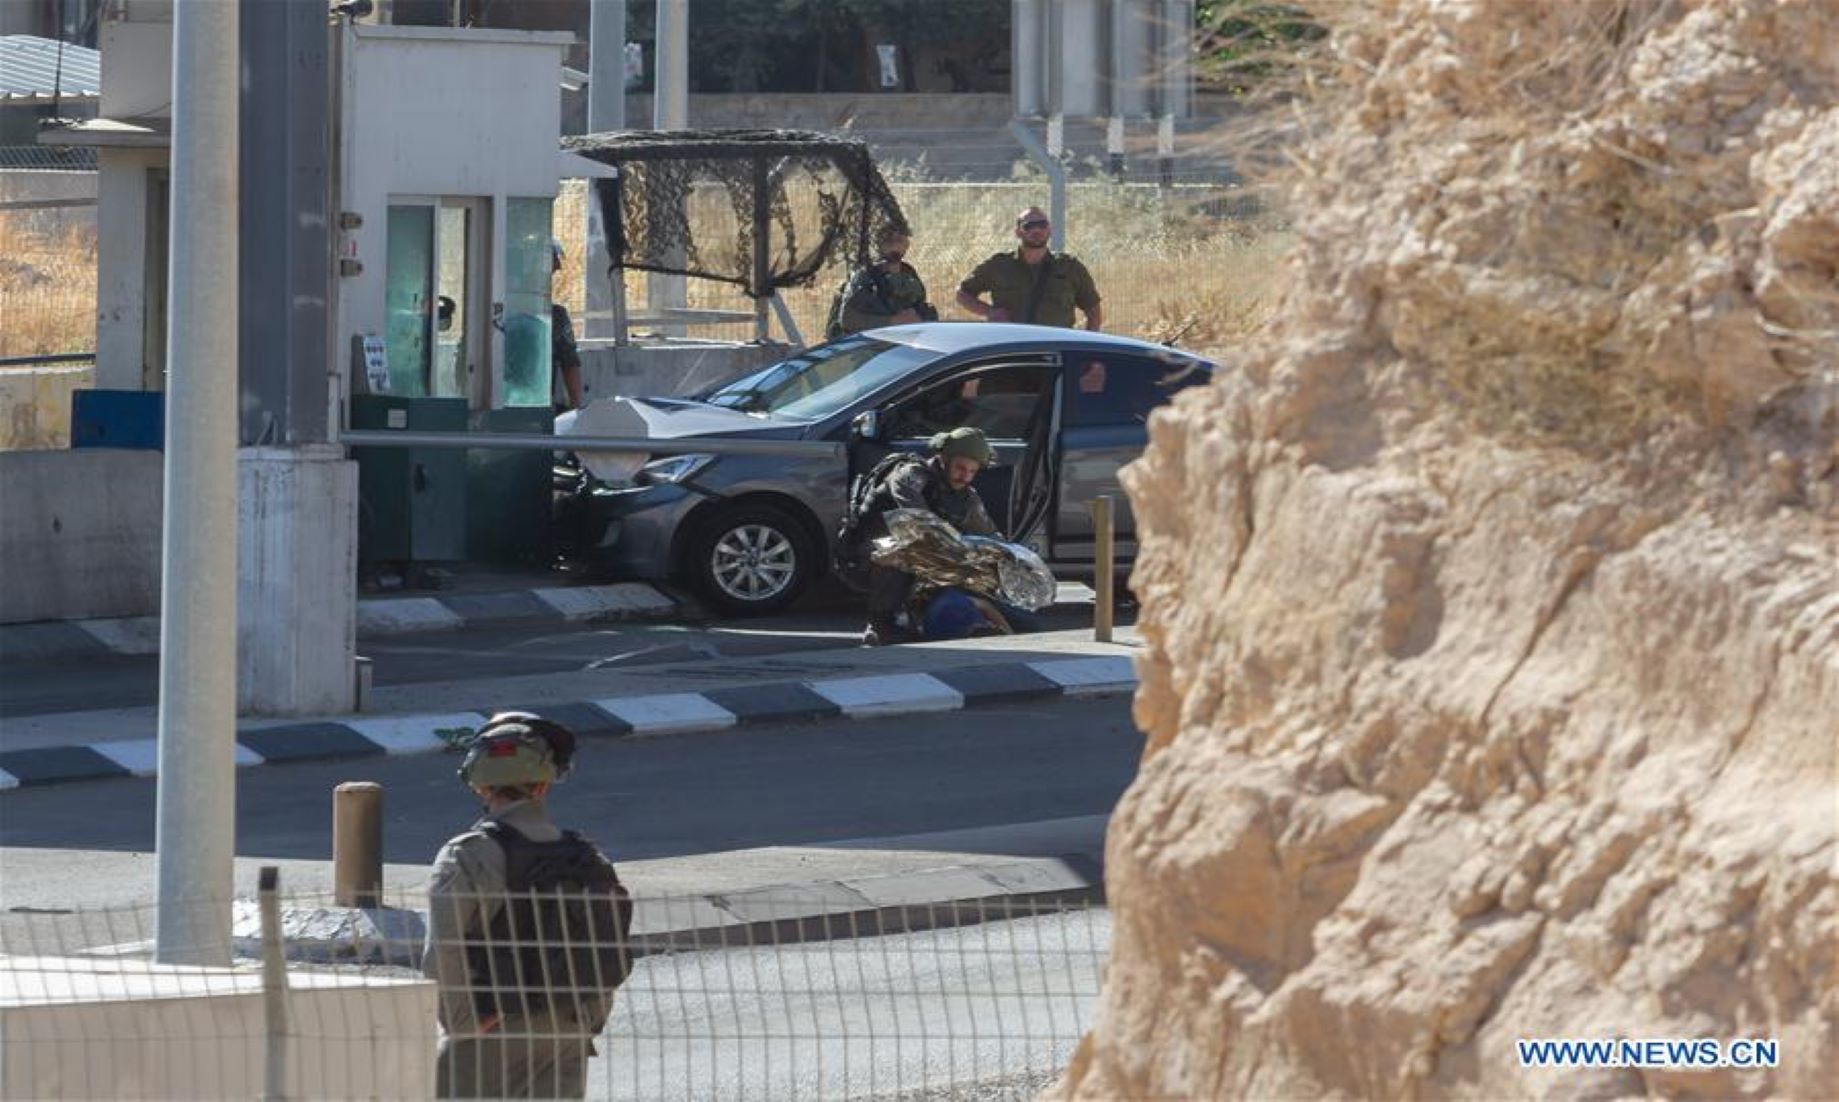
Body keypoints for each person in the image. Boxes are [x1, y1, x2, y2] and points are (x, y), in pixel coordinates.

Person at [423, 712, 632, 1099]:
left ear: (480, 787)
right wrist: (586, 1020)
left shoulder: (467, 856)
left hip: (490, 1030)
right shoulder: (589, 859)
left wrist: (463, 1024)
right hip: (567, 1029)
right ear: (544, 786)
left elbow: (442, 953)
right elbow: (607, 950)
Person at [851, 427, 1001, 646]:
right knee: (900, 553)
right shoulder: (911, 475)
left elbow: (989, 534)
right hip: (870, 551)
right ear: (944, 459)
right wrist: (951, 553)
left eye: (972, 471)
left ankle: (957, 618)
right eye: (960, 468)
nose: (965, 477)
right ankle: (879, 624)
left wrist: (1009, 556)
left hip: (924, 547)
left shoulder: (967, 497)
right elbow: (919, 522)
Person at [955, 206, 1103, 331]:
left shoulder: (1070, 267)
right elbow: (962, 293)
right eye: (1029, 226)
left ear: (1050, 230)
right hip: (1013, 349)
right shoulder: (999, 265)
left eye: (1042, 225)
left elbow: (1094, 312)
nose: (1036, 230)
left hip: (1057, 350)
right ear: (1018, 232)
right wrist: (990, 312)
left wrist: (1088, 354)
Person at [826, 225, 937, 337]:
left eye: (899, 240)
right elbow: (847, 319)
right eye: (889, 240)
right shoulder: (865, 276)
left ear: (906, 245)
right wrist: (891, 321)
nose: (894, 245)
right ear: (879, 244)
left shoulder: (909, 275)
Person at [550, 239, 584, 411]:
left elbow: (570, 363)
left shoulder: (555, 315)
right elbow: (569, 364)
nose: (557, 268)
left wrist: (576, 409)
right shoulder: (553, 317)